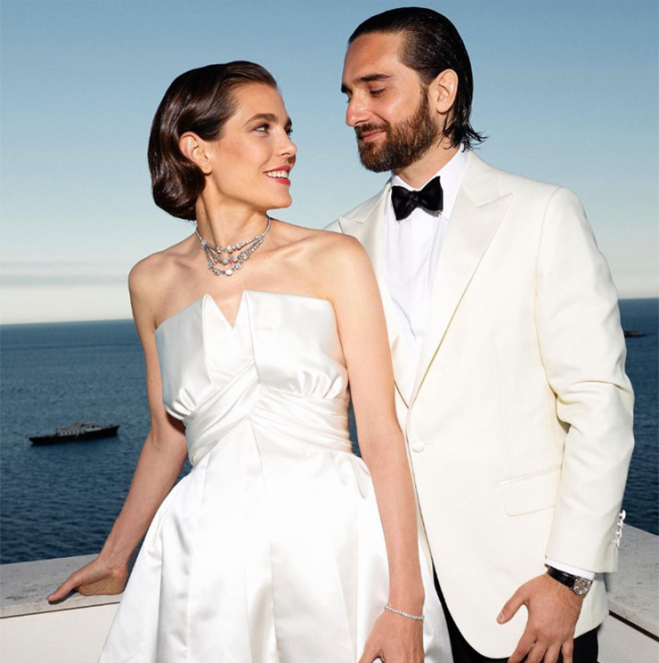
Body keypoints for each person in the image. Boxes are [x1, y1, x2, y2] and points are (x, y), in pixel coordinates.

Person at [46, 62, 453, 663]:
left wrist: (406, 601)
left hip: (335, 543)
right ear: (198, 150)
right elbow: (165, 436)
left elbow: (381, 434)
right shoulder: (152, 281)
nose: (288, 147)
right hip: (209, 551)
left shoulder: (334, 258)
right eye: (263, 128)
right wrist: (114, 556)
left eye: (287, 129)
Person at [328, 8, 634, 663]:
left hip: (527, 595)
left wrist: (568, 578)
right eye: (348, 94)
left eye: (375, 89)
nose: (353, 113)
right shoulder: (338, 241)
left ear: (442, 92)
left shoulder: (542, 212)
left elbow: (599, 404)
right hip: (397, 595)